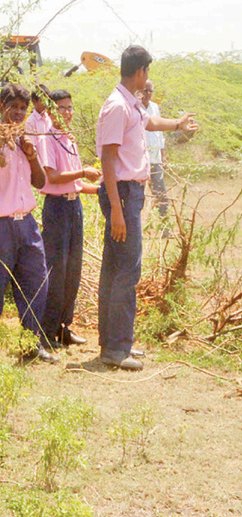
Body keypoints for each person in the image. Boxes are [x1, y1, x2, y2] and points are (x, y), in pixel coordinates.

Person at [96, 45, 198, 370]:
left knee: (117, 269)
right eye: (147, 71)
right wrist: (116, 209)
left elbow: (150, 123)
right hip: (122, 195)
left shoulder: (131, 104)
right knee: (125, 270)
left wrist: (177, 124)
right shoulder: (117, 106)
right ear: (140, 71)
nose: (147, 77)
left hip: (128, 194)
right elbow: (107, 159)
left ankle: (117, 342)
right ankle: (115, 349)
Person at [0, 83, 57, 364]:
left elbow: (40, 182)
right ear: (0, 108)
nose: (18, 113)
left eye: (22, 108)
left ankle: (31, 344)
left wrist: (31, 154)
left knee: (36, 284)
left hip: (26, 223)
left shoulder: (25, 138)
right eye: (12, 107)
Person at [39, 89, 101, 349]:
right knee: (56, 269)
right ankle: (47, 330)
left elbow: (75, 183)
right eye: (61, 108)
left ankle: (65, 326)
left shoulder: (69, 139)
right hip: (56, 209)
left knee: (73, 270)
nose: (67, 112)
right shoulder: (47, 139)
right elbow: (52, 177)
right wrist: (84, 172)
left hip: (74, 208)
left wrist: (100, 189)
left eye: (69, 107)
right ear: (51, 111)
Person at [139, 80, 169, 229]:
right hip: (139, 160)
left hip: (155, 159)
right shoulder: (134, 107)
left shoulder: (155, 108)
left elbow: (159, 132)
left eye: (150, 91)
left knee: (161, 194)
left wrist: (163, 155)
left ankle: (165, 228)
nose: (148, 94)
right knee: (139, 196)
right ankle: (141, 229)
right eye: (145, 90)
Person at [25, 84, 52, 158]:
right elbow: (31, 147)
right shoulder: (30, 122)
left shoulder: (49, 119)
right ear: (34, 101)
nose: (45, 103)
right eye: (42, 100)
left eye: (47, 100)